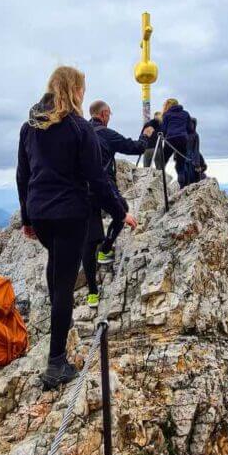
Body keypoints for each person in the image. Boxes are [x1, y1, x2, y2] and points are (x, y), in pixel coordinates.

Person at [17, 66, 136, 390]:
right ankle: (56, 363)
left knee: (56, 266)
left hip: (40, 213)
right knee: (64, 282)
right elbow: (97, 180)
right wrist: (120, 211)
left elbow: (22, 176)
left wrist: (27, 218)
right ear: (74, 90)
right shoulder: (79, 129)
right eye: (82, 88)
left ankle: (60, 326)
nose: (83, 93)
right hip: (70, 214)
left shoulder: (30, 128)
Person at [82, 99, 152, 306]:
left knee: (88, 242)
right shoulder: (105, 133)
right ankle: (106, 248)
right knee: (122, 211)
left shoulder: (81, 132)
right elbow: (136, 147)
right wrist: (146, 135)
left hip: (80, 192)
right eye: (109, 114)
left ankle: (92, 294)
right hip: (103, 186)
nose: (109, 117)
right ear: (103, 114)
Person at [160, 98, 196, 188]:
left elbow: (163, 129)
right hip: (182, 139)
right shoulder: (185, 114)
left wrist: (163, 137)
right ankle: (182, 187)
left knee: (163, 160)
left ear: (168, 105)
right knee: (180, 164)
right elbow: (190, 129)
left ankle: (158, 179)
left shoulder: (166, 115)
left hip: (170, 139)